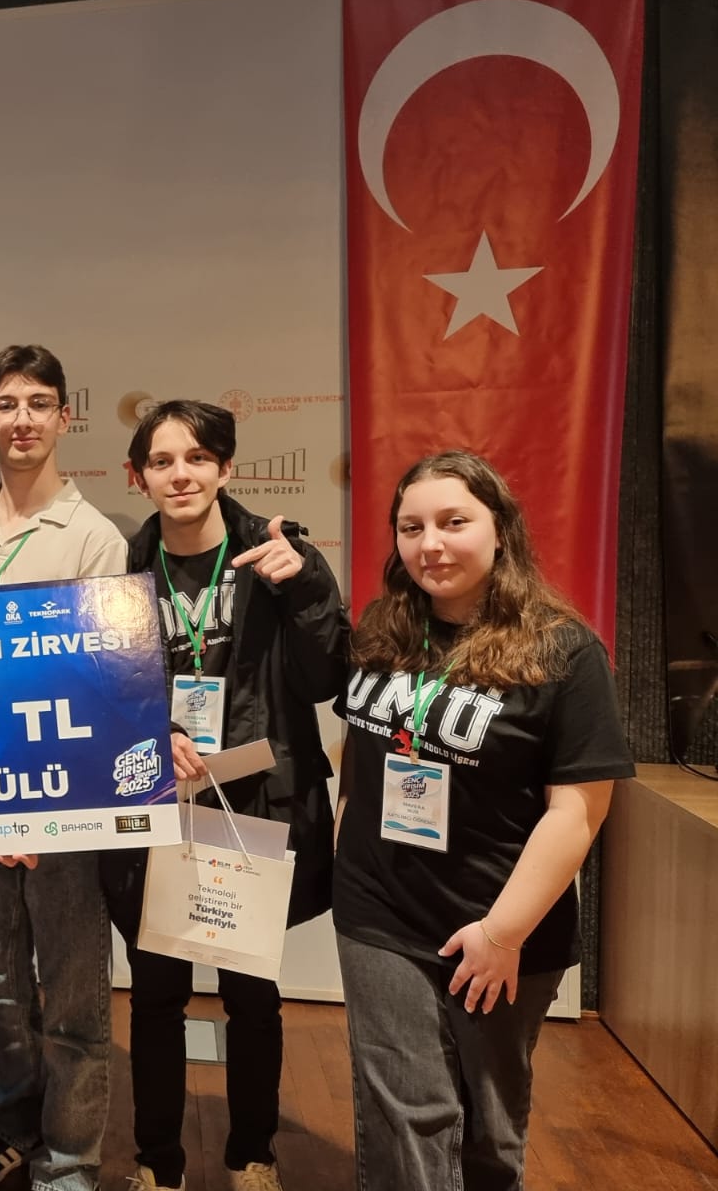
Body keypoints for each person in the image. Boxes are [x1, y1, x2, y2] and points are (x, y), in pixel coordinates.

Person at [334, 450, 634, 1191]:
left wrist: (501, 934)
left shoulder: (564, 651)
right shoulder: (383, 629)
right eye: (411, 527)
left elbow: (579, 811)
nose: (430, 544)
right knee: (408, 1112)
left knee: (491, 1129)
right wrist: (348, 856)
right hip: (378, 911)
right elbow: (359, 754)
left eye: (453, 522)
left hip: (499, 924)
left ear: (500, 530)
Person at [99, 400, 347, 1191]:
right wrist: (152, 730)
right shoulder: (121, 573)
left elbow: (326, 679)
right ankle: (158, 1163)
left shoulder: (277, 560)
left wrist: (306, 586)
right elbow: (101, 693)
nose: (181, 474)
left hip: (253, 804)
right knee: (155, 997)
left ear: (226, 469)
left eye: (198, 458)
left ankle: (252, 1155)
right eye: (162, 461)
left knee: (252, 997)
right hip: (160, 806)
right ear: (139, 476)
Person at [0, 344, 125, 1191]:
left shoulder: (95, 537)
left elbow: (99, 685)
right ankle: (13, 1121)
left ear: (63, 418)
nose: (22, 420)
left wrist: (38, 812)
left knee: (74, 993)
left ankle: (71, 1159)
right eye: (6, 405)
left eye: (39, 404)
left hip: (63, 805)